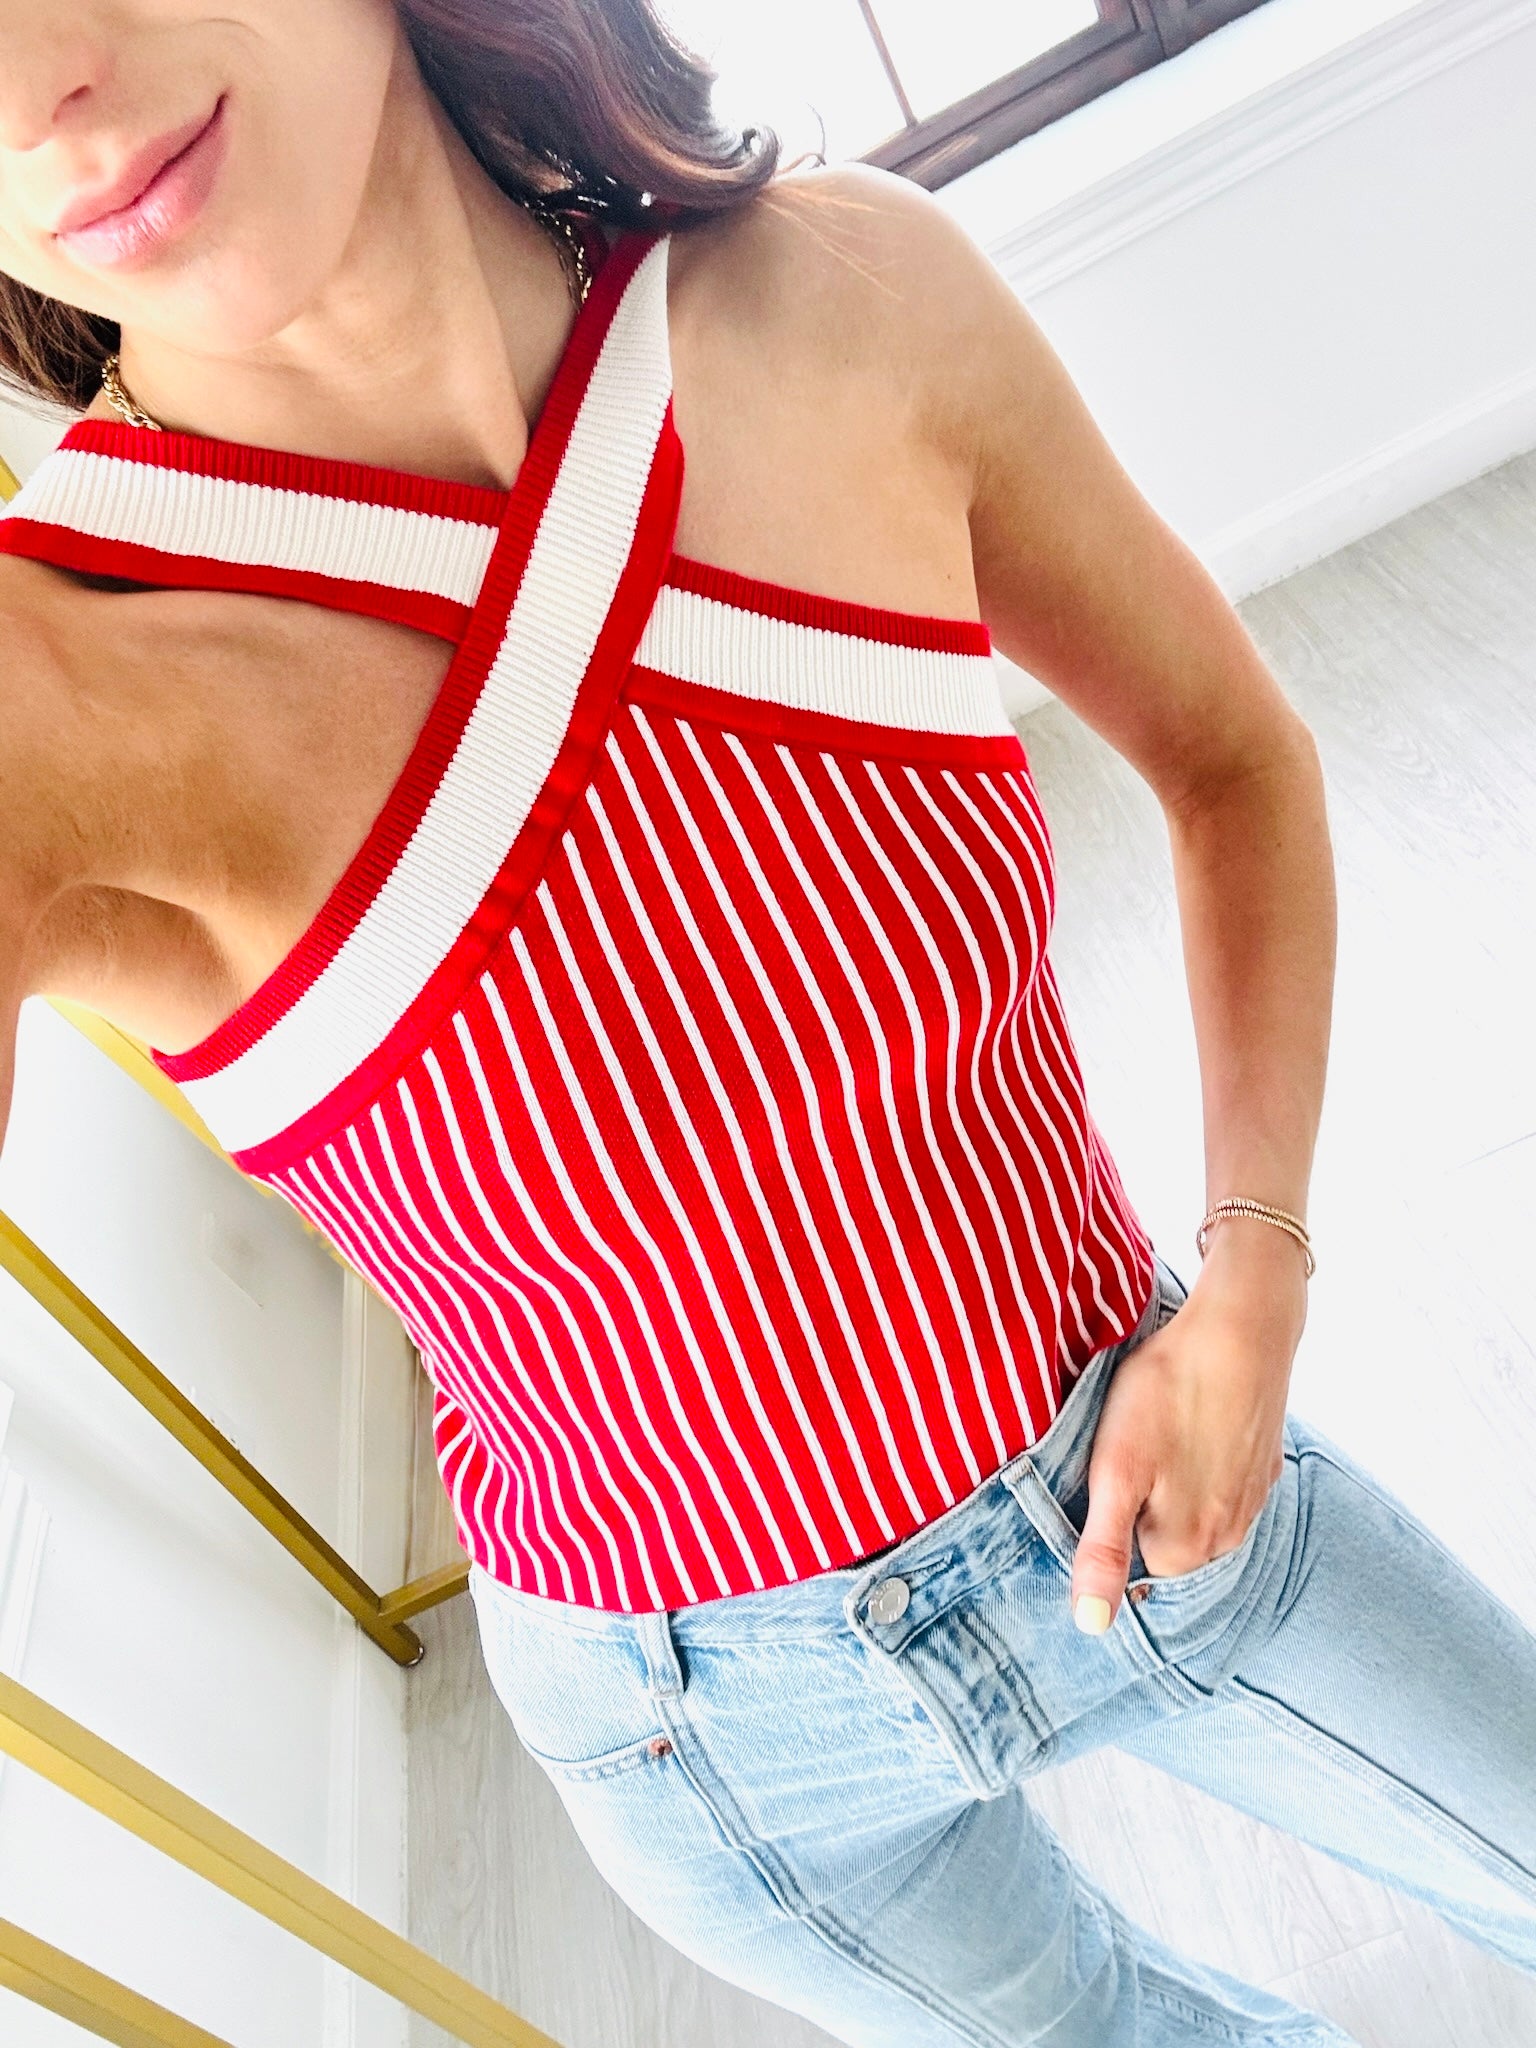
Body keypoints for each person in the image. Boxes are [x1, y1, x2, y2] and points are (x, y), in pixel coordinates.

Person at [0, 5, 1531, 2043]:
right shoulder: (58, 679)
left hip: (1145, 1470)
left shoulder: (857, 299)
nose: (36, 101)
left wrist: (1251, 1280)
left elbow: (1232, 759)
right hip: (698, 1732)